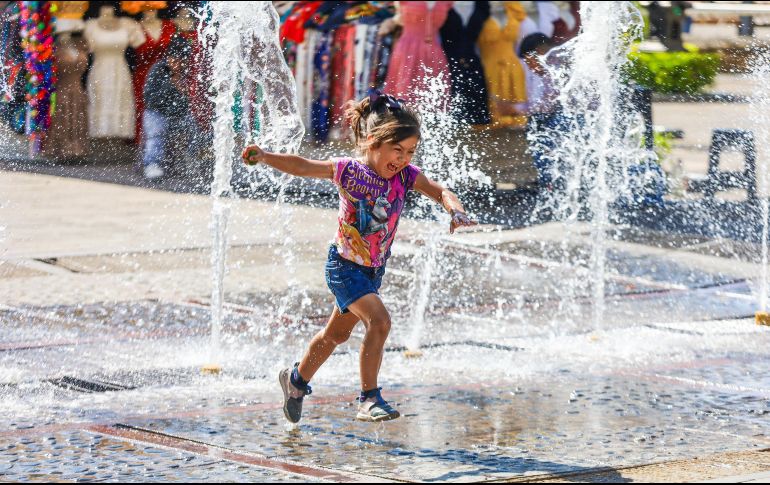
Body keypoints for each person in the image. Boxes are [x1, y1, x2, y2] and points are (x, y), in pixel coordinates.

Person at [241, 91, 476, 423]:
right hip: (344, 266)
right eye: (397, 150)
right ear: (373, 142)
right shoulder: (349, 171)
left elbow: (441, 192)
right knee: (379, 321)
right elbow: (303, 166)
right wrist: (265, 156)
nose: (403, 159)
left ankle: (295, 380)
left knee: (336, 335)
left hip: (372, 271)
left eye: (410, 152)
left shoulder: (406, 176)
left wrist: (455, 211)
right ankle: (369, 398)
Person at [495, 33, 563, 190]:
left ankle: (551, 183)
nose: (530, 68)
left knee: (543, 140)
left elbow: (548, 106)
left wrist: (513, 108)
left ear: (539, 52)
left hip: (567, 120)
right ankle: (549, 181)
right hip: (555, 117)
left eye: (529, 61)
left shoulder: (558, 68)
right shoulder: (551, 69)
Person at [142, 34, 205, 180]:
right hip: (156, 113)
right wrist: (170, 85)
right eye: (174, 59)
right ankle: (152, 163)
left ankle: (190, 160)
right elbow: (149, 99)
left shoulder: (186, 72)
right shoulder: (158, 70)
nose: (177, 63)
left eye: (181, 60)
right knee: (156, 132)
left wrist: (184, 94)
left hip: (178, 114)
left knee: (194, 129)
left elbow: (186, 103)